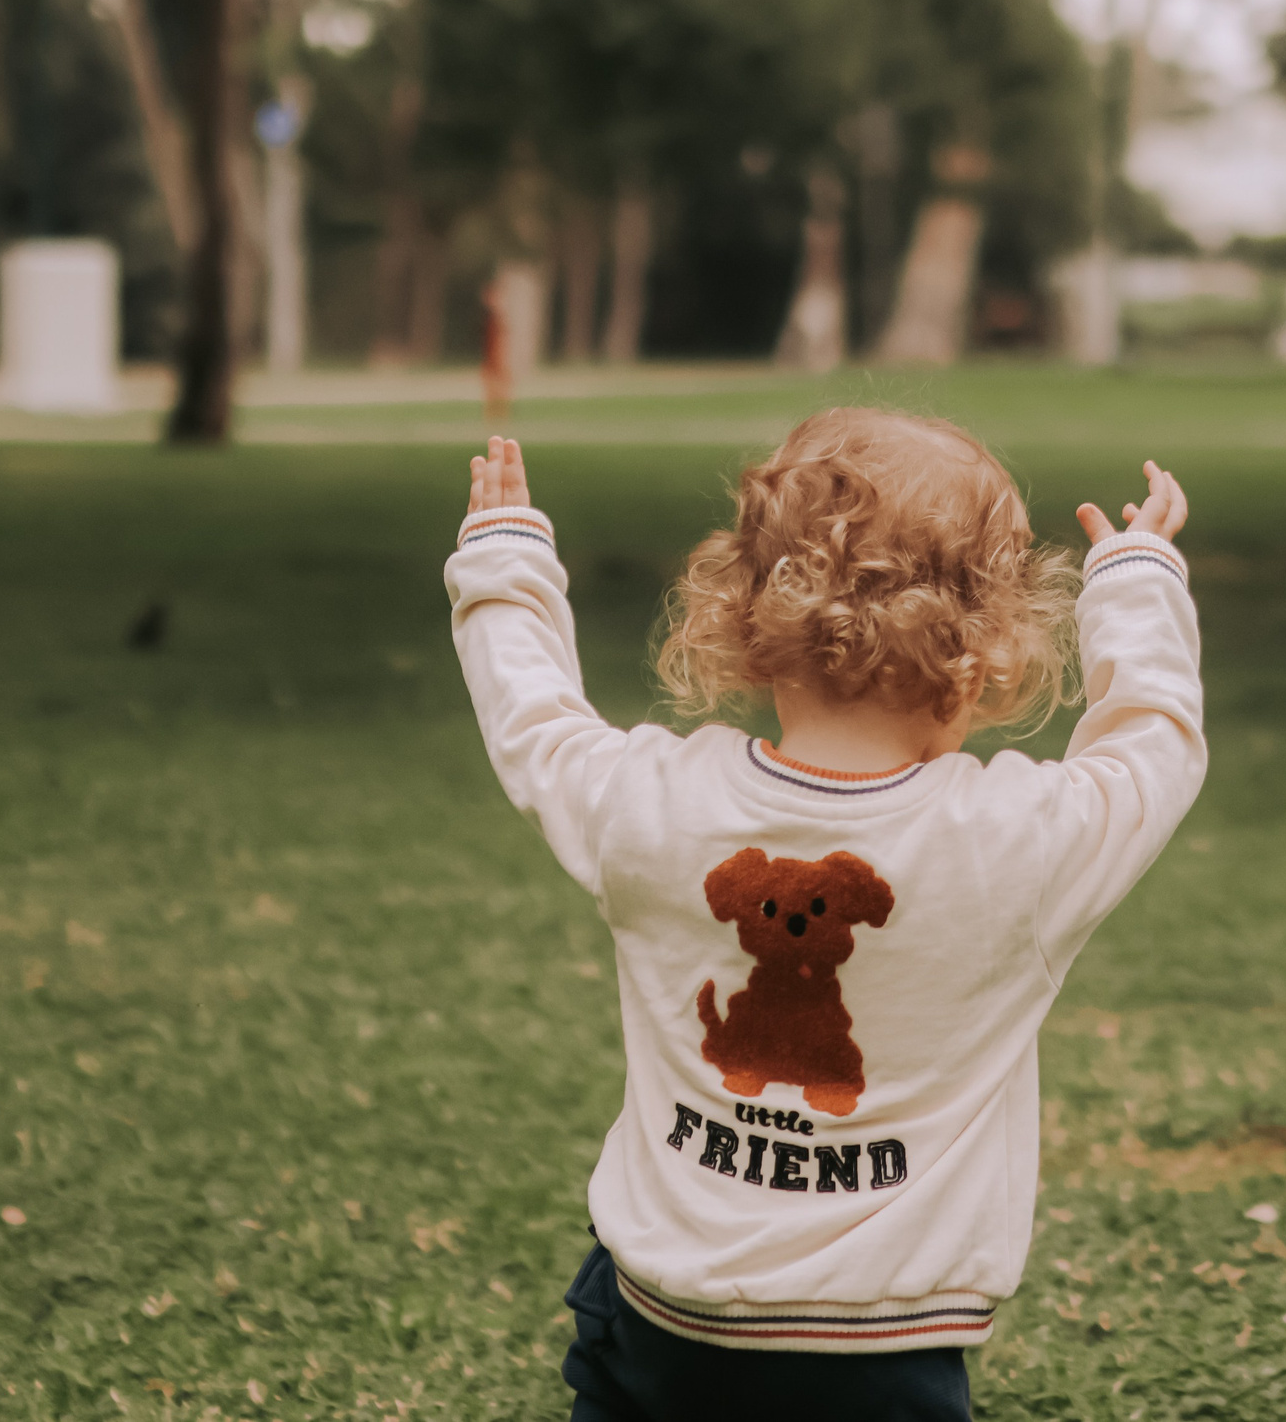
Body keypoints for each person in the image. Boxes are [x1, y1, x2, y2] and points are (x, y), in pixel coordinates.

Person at [446, 407, 1205, 1422]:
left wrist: (504, 561)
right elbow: (1151, 744)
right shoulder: (1015, 841)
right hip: (877, 1350)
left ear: (742, 617)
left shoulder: (651, 805)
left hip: (661, 1319)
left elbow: (531, 717)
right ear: (989, 647)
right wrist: (1138, 581)